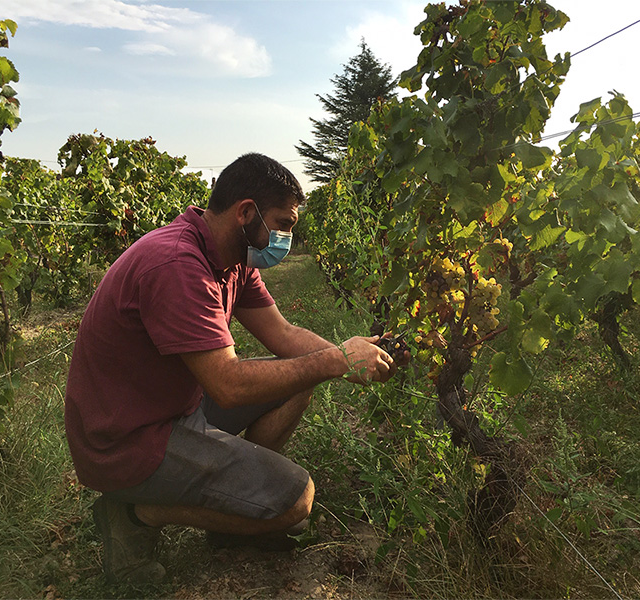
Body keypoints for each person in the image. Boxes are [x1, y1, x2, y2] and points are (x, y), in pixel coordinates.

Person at [64, 153, 398, 584]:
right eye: (283, 224)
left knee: (302, 375)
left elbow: (283, 333)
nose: (286, 238)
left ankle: (235, 510)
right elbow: (228, 386)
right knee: (296, 504)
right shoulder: (178, 264)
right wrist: (335, 359)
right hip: (125, 440)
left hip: (172, 410)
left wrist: (349, 360)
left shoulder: (232, 257)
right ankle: (132, 513)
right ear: (246, 212)